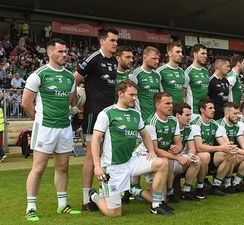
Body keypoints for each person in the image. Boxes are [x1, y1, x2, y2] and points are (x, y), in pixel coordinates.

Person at [89, 80, 172, 216]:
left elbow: (145, 135)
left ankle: (156, 204)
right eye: (131, 95)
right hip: (113, 166)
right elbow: (95, 139)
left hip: (131, 161)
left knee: (161, 163)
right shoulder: (107, 113)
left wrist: (151, 151)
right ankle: (94, 196)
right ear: (120, 94)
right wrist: (97, 165)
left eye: (136, 95)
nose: (135, 98)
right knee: (114, 213)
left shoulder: (135, 114)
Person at [22, 38, 80, 222]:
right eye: (61, 52)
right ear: (50, 53)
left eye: (66, 51)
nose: (65, 55)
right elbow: (25, 103)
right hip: (45, 127)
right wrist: (38, 120)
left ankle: (62, 205)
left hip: (64, 128)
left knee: (63, 168)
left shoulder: (70, 76)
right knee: (38, 168)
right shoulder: (38, 75)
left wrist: (73, 109)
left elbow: (71, 101)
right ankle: (31, 207)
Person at [74, 27, 119, 211]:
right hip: (93, 114)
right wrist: (74, 105)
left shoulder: (114, 61)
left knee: (107, 155)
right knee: (91, 157)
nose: (115, 43)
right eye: (112, 40)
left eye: (117, 41)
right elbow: (74, 80)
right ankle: (86, 200)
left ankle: (105, 193)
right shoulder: (93, 59)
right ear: (102, 41)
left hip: (110, 115)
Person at [145, 92, 198, 203]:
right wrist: (178, 157)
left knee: (196, 160)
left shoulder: (173, 121)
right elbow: (155, 150)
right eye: (167, 103)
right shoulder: (151, 122)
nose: (171, 106)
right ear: (157, 105)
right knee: (160, 200)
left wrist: (177, 148)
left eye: (171, 103)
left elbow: (179, 143)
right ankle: (137, 191)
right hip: (149, 159)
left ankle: (180, 191)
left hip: (167, 158)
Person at [191, 99, 236, 196]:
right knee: (205, 155)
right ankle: (199, 187)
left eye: (214, 108)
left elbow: (223, 143)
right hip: (195, 156)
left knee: (230, 154)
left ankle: (216, 186)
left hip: (211, 155)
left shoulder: (215, 124)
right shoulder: (196, 123)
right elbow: (199, 147)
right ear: (202, 110)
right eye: (210, 108)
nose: (214, 110)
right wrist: (221, 148)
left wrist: (228, 146)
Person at [217, 102, 244, 193]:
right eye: (235, 113)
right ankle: (218, 185)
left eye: (238, 113)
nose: (238, 116)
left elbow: (243, 142)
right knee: (232, 154)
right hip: (216, 155)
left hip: (229, 153)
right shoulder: (219, 125)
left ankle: (235, 183)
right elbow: (228, 146)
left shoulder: (237, 126)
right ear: (226, 114)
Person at [173, 102, 206, 200]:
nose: (189, 118)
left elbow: (192, 147)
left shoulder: (189, 128)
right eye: (187, 115)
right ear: (178, 115)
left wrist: (191, 155)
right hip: (170, 158)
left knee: (197, 160)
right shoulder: (172, 127)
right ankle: (170, 193)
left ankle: (186, 191)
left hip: (181, 158)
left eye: (190, 115)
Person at [129, 46, 161, 120]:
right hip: (141, 116)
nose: (157, 61)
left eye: (158, 59)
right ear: (145, 57)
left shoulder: (157, 75)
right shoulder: (135, 73)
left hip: (155, 117)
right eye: (154, 58)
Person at [184, 44, 209, 115]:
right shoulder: (188, 72)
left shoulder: (206, 71)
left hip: (204, 112)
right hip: (193, 112)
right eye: (203, 53)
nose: (205, 56)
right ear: (195, 54)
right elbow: (183, 94)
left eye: (206, 54)